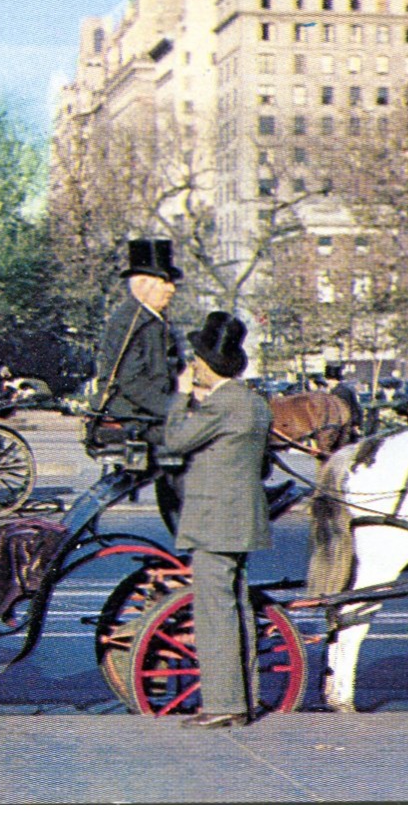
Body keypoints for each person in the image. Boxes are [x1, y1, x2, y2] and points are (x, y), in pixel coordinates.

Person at [161, 311, 273, 729]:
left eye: (196, 360)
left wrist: (181, 396)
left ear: (206, 365)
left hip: (214, 522)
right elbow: (260, 467)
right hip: (242, 520)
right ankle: (245, 698)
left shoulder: (223, 404)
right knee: (237, 607)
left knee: (214, 612)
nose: (192, 366)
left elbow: (175, 441)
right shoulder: (255, 403)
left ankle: (224, 703)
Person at [91, 238, 185, 515]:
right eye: (165, 281)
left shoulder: (152, 318)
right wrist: (175, 411)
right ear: (143, 284)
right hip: (132, 415)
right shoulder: (130, 321)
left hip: (145, 411)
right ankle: (199, 516)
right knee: (200, 436)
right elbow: (132, 383)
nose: (172, 288)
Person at [324, 362, 364, 438]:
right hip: (351, 422)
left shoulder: (338, 392)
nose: (327, 382)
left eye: (328, 380)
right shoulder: (345, 389)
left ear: (332, 380)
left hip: (345, 426)